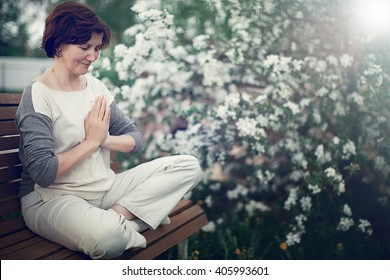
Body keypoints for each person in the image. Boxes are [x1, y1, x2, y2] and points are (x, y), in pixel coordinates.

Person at [15, 1, 202, 260]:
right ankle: (140, 221)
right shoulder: (38, 94)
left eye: (96, 48)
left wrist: (104, 139)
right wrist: (90, 142)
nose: (92, 56)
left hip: (105, 190)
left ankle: (119, 218)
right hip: (53, 199)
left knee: (188, 165)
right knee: (108, 239)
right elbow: (43, 173)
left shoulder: (96, 88)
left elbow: (135, 140)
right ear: (58, 44)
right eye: (84, 47)